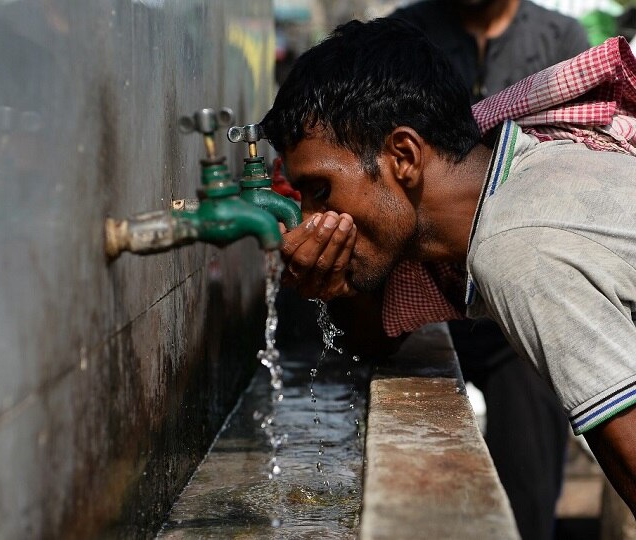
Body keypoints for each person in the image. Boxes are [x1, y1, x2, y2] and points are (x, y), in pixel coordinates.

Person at [261, 17, 636, 519]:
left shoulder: (513, 247)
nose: (310, 221)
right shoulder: (519, 176)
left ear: (404, 156)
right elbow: (376, 339)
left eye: (321, 190)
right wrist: (338, 287)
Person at [386, 2, 590, 537]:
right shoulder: (407, 34)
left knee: (527, 482)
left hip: (517, 306)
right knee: (410, 477)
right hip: (425, 287)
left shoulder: (558, 38)